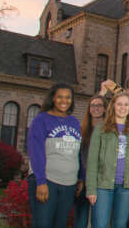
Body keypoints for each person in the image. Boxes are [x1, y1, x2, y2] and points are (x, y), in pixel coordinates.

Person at [27, 83, 84, 228]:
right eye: (60, 97)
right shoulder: (41, 120)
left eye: (68, 97)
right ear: (52, 98)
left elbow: (77, 153)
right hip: (48, 181)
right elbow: (36, 151)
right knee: (42, 224)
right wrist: (41, 182)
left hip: (69, 184)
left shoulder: (74, 122)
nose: (64, 101)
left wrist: (80, 178)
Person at [86, 93, 129, 228]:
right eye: (119, 104)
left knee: (120, 224)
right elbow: (92, 160)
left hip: (126, 187)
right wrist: (91, 189)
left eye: (126, 105)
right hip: (103, 185)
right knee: (100, 224)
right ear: (113, 106)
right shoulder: (101, 128)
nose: (122, 107)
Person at [74, 95, 106, 228]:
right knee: (81, 218)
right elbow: (77, 155)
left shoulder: (109, 130)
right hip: (84, 179)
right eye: (93, 105)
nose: (96, 108)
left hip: (101, 180)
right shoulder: (82, 130)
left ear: (105, 109)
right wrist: (80, 178)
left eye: (99, 105)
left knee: (98, 220)